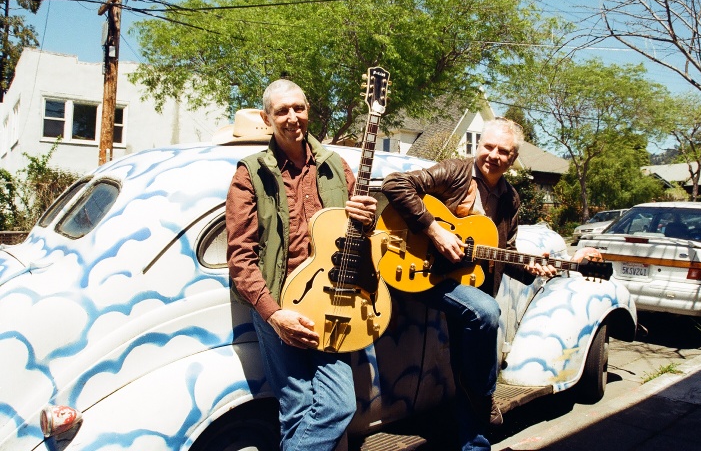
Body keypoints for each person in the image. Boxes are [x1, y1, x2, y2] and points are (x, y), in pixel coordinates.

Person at [381, 117, 593, 451]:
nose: (493, 155)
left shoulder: (510, 200)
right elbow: (394, 184)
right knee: (486, 312)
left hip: (466, 281)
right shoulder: (455, 171)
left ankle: (475, 444)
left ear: (512, 159)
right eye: (488, 146)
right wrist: (434, 231)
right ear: (479, 146)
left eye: (503, 151)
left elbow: (504, 254)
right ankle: (486, 396)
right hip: (420, 269)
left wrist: (534, 269)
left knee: (467, 366)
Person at [225, 79, 378, 451]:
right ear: (267, 118)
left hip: (330, 299)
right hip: (276, 301)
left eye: (299, 108)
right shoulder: (250, 173)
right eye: (282, 111)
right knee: (295, 406)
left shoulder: (337, 165)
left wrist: (368, 218)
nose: (292, 118)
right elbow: (240, 257)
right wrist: (275, 316)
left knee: (339, 405)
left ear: (308, 109)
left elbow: (358, 234)